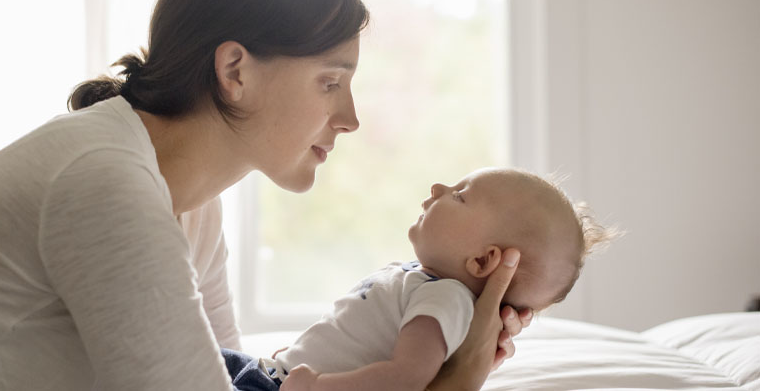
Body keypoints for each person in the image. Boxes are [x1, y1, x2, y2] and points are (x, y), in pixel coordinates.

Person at [0, 0, 530, 391]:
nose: (350, 117)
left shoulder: (187, 203)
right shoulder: (106, 183)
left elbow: (226, 378)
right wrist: (453, 382)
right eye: (330, 81)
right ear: (235, 69)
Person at [224, 167, 619, 391]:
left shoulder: (445, 300)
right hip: (270, 371)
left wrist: (318, 388)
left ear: (484, 260)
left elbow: (406, 377)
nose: (438, 188)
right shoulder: (423, 282)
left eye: (460, 195)